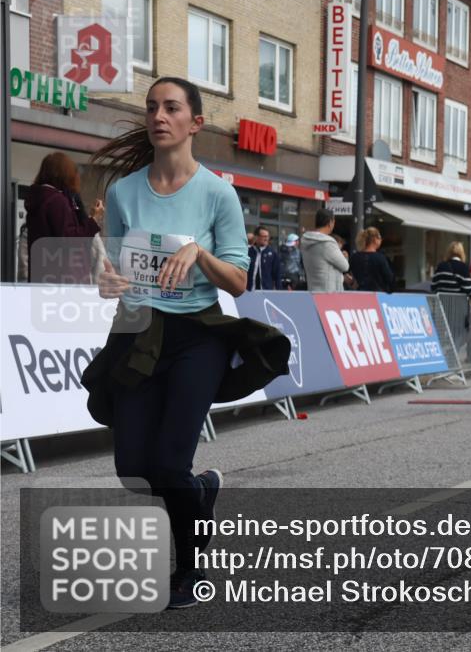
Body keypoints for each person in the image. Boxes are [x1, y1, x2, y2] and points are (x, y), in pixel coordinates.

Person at [83, 77, 289, 609]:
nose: (159, 116)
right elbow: (113, 270)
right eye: (152, 107)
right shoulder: (126, 192)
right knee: (134, 468)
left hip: (199, 335)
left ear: (195, 122)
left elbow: (240, 282)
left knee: (170, 462)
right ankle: (201, 493)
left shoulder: (217, 192)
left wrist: (198, 253)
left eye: (171, 108)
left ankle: (188, 569)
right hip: (139, 332)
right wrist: (106, 282)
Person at [25, 151, 101, 284]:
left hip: (42, 276)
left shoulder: (39, 199)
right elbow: (70, 240)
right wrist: (93, 220)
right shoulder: (56, 200)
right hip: (62, 279)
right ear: (63, 174)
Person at [300, 208, 350, 292]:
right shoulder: (328, 243)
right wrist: (344, 256)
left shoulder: (306, 241)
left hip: (312, 291)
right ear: (330, 223)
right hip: (329, 294)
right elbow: (345, 266)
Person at [349, 227, 394, 292]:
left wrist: (352, 283)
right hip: (377, 294)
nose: (381, 240)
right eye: (380, 238)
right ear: (375, 240)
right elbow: (389, 278)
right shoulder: (380, 258)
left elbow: (348, 273)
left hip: (359, 293)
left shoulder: (354, 257)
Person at [246, 225, 280, 291]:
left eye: (267, 236)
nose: (266, 239)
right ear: (256, 237)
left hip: (266, 292)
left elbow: (277, 275)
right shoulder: (248, 252)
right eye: (264, 236)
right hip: (249, 291)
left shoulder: (273, 254)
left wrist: (279, 292)